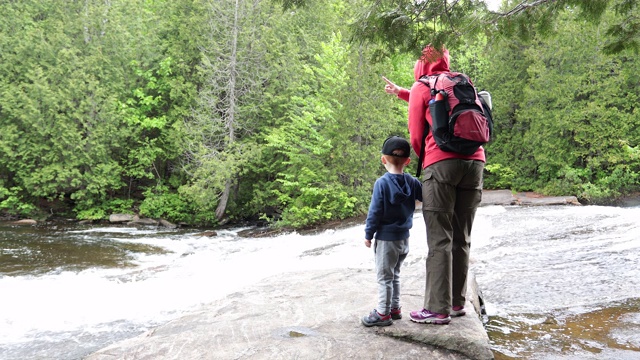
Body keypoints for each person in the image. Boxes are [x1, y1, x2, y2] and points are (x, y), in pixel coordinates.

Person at [384, 46, 485, 325]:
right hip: (475, 163)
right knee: (461, 237)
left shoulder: (422, 85)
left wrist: (426, 158)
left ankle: (436, 309)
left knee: (440, 238)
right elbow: (446, 106)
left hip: (440, 165)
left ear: (421, 63)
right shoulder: (461, 81)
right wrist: (403, 93)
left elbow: (417, 134)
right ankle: (456, 303)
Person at [361, 136, 423, 327]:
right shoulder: (413, 182)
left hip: (386, 239)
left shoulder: (382, 183)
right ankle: (395, 308)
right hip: (404, 238)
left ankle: (382, 313)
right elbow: (426, 197)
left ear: (383, 159)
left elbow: (375, 211)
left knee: (384, 276)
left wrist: (368, 234)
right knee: (395, 274)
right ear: (408, 161)